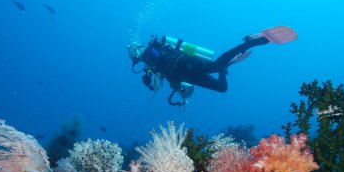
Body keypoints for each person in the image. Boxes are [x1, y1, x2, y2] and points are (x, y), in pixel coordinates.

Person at [128, 26, 298, 106]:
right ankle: (225, 69)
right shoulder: (150, 65)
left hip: (185, 63)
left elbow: (158, 59)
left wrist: (149, 62)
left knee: (216, 65)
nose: (137, 57)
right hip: (187, 76)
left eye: (135, 54)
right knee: (222, 87)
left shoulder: (150, 52)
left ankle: (252, 42)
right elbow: (164, 77)